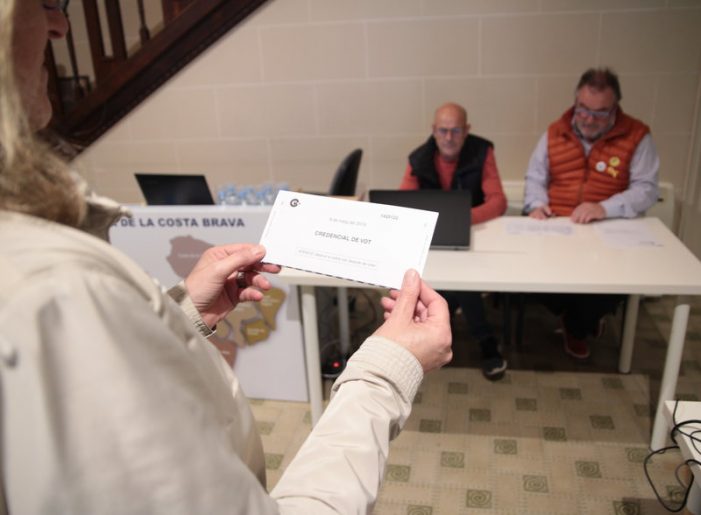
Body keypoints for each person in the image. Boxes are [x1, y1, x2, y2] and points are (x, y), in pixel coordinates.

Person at [0, 1, 453, 513]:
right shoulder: (53, 291)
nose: (61, 25)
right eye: (44, 3)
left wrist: (182, 311)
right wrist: (386, 371)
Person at [523, 67, 659, 359]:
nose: (587, 118)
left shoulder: (637, 135)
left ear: (615, 109)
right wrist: (536, 204)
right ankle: (577, 321)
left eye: (599, 113)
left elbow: (646, 188)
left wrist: (604, 207)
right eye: (582, 109)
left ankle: (578, 325)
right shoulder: (554, 131)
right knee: (541, 281)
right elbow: (535, 176)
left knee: (608, 286)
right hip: (558, 226)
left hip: (609, 229)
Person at [400, 102, 508, 380]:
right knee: (457, 284)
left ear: (467, 130)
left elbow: (498, 201)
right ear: (434, 131)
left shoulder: (482, 151)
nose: (449, 138)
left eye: (456, 131)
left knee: (460, 280)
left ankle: (440, 336)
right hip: (433, 242)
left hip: (471, 238)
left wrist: (459, 219)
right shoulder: (418, 158)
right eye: (443, 131)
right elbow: (403, 204)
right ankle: (485, 342)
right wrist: (441, 222)